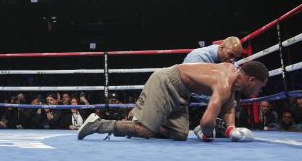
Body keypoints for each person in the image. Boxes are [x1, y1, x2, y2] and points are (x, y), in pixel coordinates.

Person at [78, 61, 268, 142]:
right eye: (259, 86)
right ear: (251, 79)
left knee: (180, 135)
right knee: (145, 131)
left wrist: (230, 130)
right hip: (167, 81)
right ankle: (98, 124)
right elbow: (206, 122)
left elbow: (228, 108)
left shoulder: (232, 75)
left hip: (181, 91)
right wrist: (207, 135)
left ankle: (142, 119)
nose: (258, 91)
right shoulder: (225, 83)